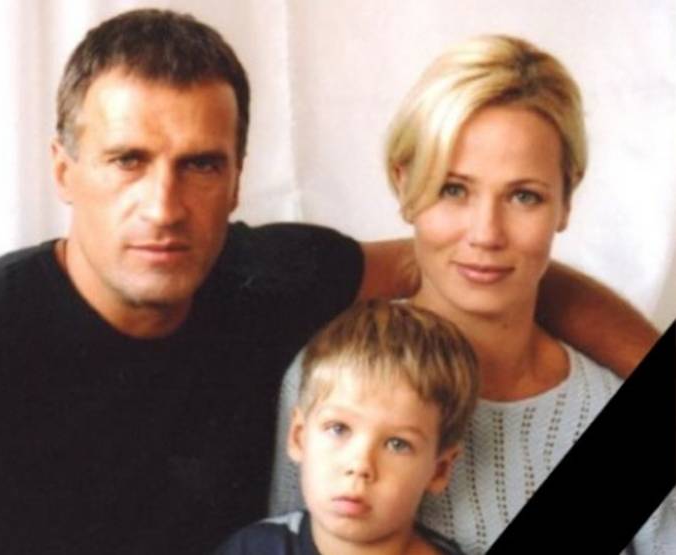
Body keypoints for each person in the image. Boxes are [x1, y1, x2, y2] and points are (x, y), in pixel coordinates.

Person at [0, 10, 657, 555]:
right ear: (64, 168)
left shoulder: (269, 281)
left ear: (237, 175)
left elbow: (470, 261)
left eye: (200, 165)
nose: (163, 205)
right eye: (128, 159)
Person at [270, 35, 674, 554]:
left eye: (523, 196)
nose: (486, 234)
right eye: (454, 189)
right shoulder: (331, 379)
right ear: (404, 184)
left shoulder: (604, 402)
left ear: (567, 200)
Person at [216, 300, 478, 555]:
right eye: (338, 429)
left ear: (439, 469)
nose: (360, 465)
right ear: (299, 436)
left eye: (397, 444)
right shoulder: (252, 549)